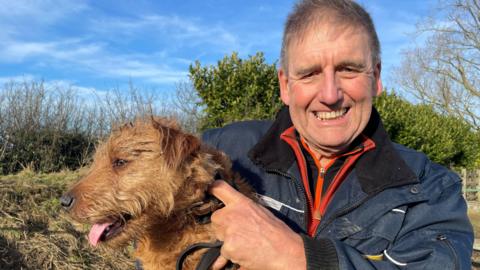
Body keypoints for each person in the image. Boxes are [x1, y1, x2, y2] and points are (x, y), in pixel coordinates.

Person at [202, 0, 474, 269]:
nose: (330, 95)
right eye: (309, 73)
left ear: (376, 77)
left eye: (348, 69)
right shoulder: (219, 150)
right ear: (285, 86)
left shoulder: (430, 189)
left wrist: (299, 256)